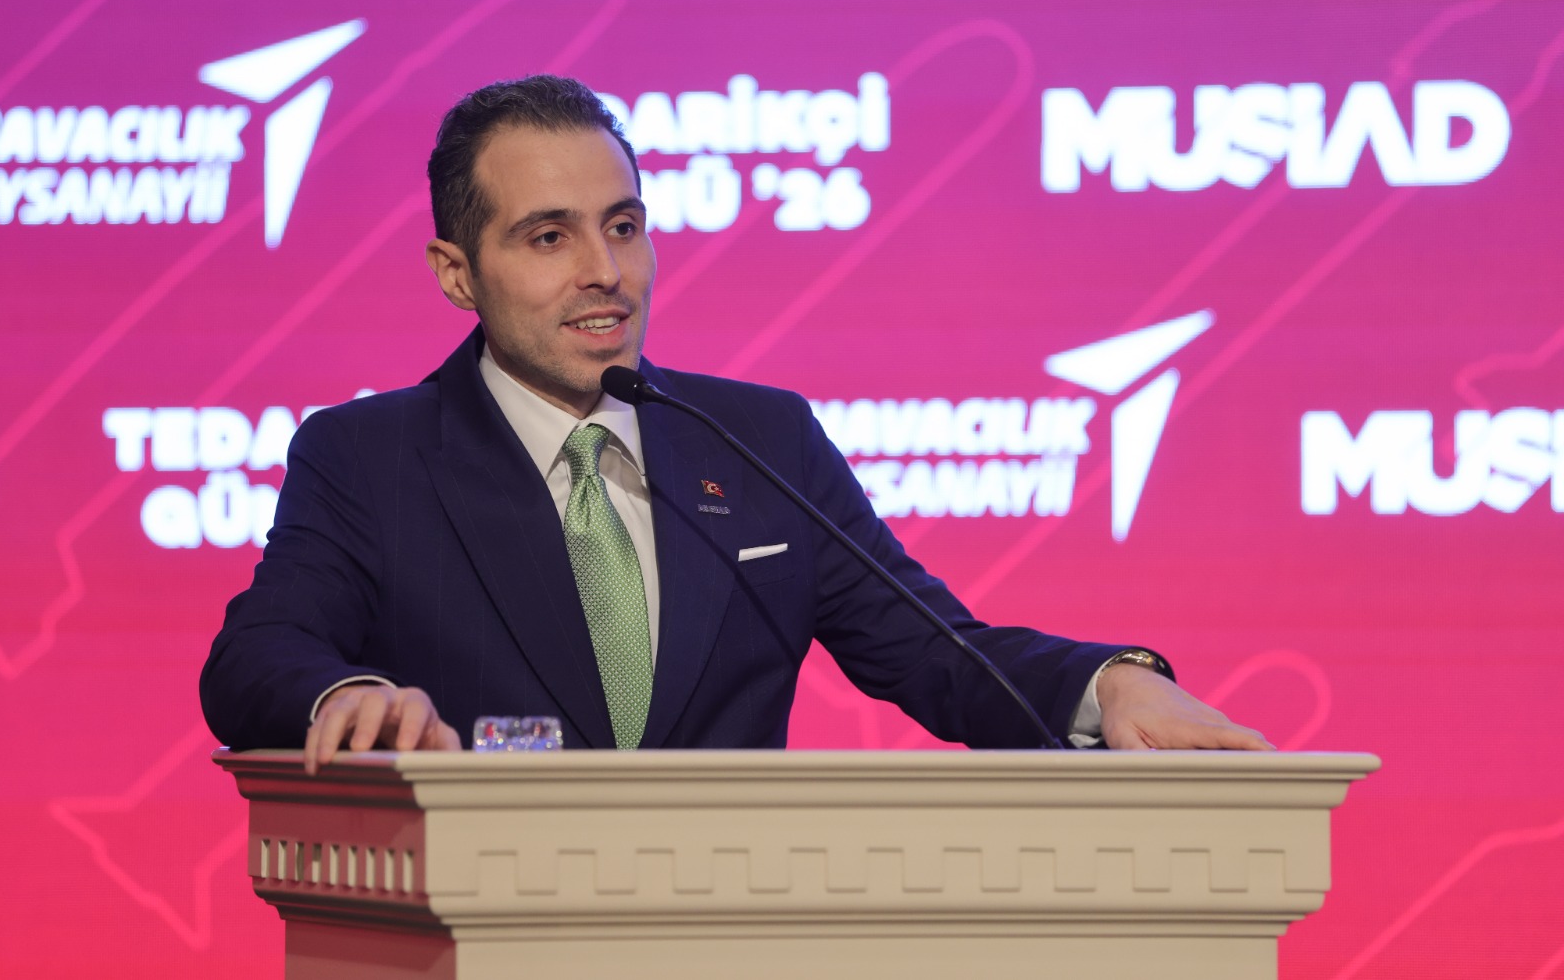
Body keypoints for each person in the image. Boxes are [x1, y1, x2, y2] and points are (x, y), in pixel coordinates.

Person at [200, 75, 1270, 773]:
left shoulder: (760, 440)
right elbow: (255, 653)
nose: (605, 271)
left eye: (624, 225)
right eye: (548, 237)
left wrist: (1108, 683)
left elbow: (941, 654)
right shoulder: (370, 457)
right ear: (455, 273)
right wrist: (349, 694)